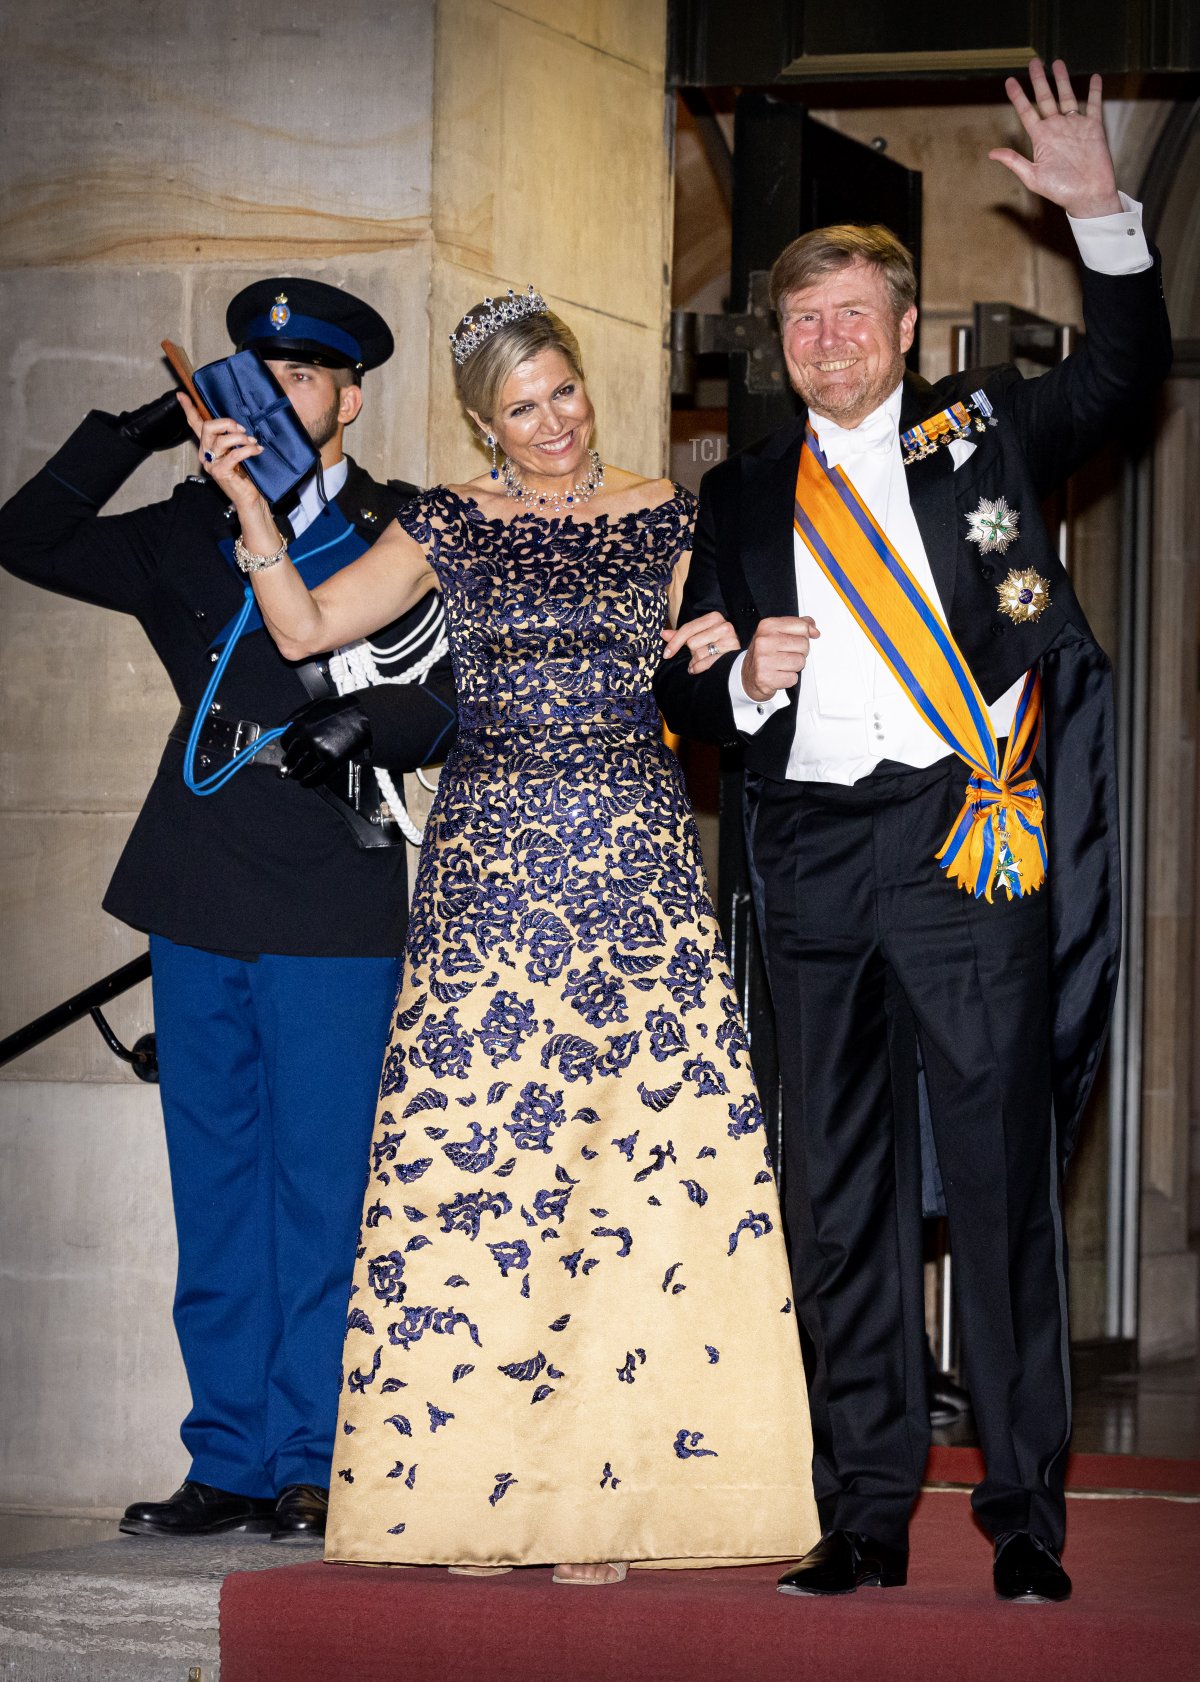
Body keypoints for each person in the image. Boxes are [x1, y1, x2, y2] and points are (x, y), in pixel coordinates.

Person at [186, 286, 820, 1582]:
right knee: (486, 1176)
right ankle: (476, 1488)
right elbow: (307, 628)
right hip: (490, 886)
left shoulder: (669, 513)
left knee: (634, 1178)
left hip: (638, 870)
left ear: (588, 385)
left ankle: (611, 1500)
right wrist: (249, 504)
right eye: (519, 406)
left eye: (565, 393)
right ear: (484, 422)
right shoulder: (445, 521)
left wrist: (719, 643)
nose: (550, 423)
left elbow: (718, 668)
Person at [655, 60, 1172, 1603]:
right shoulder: (738, 496)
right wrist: (741, 673)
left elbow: (1122, 382)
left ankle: (1023, 1517)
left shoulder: (987, 431)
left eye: (850, 318)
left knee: (1004, 1178)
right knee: (839, 1188)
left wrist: (1101, 215)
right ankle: (865, 1505)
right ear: (784, 343)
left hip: (964, 846)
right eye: (798, 323)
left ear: (900, 330)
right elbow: (688, 704)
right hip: (808, 858)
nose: (823, 343)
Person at [0, 278, 456, 1543]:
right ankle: (230, 1456)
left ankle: (316, 1453)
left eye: (303, 380)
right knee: (217, 1191)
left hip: (331, 891)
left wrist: (379, 722)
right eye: (252, 381)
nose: (277, 399)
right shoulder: (180, 530)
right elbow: (23, 536)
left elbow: (461, 691)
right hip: (194, 886)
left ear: (350, 400)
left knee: (323, 1192)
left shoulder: (403, 526)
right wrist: (144, 428)